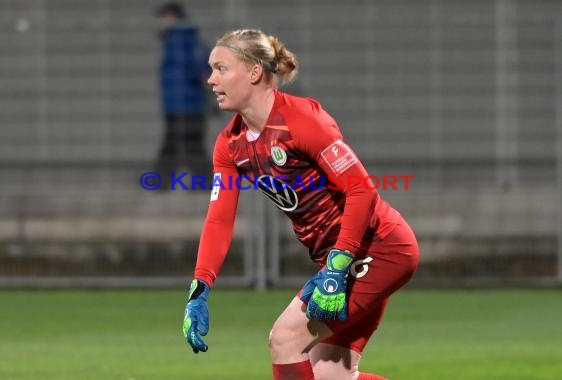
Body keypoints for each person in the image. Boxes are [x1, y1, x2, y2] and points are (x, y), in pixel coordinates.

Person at [182, 29, 420, 380]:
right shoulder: (230, 145)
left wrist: (338, 267)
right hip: (344, 259)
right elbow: (219, 220)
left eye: (220, 68)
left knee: (285, 338)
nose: (210, 79)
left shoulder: (302, 120)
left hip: (377, 248)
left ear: (253, 72)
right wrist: (199, 289)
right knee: (329, 375)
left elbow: (362, 191)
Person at [154, 2, 211, 187]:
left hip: (184, 102)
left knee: (185, 144)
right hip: (182, 102)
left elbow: (195, 66)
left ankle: (161, 183)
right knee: (185, 144)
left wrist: (204, 78)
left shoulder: (180, 38)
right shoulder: (185, 37)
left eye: (164, 16)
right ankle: (201, 183)